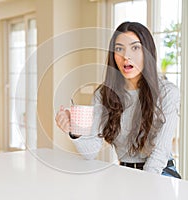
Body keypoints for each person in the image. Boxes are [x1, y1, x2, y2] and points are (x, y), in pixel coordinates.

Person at [55, 21, 181, 178]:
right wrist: (74, 131)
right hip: (125, 172)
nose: (126, 57)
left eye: (135, 48)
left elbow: (159, 155)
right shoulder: (103, 94)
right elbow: (91, 151)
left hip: (160, 173)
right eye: (119, 48)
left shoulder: (168, 92)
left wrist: (144, 187)